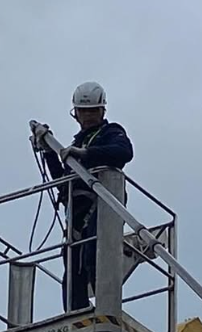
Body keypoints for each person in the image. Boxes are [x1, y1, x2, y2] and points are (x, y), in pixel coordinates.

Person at [37, 81, 134, 312]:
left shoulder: (111, 133)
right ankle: (75, 313)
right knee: (73, 265)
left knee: (94, 254)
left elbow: (123, 153)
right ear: (76, 113)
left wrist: (86, 154)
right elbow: (63, 181)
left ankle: (104, 308)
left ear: (102, 111)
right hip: (77, 211)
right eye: (83, 112)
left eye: (92, 111)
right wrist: (48, 152)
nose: (88, 117)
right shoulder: (77, 143)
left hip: (103, 202)